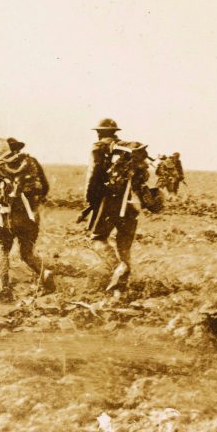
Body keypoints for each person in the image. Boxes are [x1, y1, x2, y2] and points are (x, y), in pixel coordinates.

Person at [84, 118, 162, 299]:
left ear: (99, 132)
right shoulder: (129, 152)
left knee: (98, 239)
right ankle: (121, 289)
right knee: (124, 245)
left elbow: (93, 176)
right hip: (132, 204)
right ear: (114, 132)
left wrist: (90, 201)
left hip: (110, 202)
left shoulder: (99, 148)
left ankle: (120, 269)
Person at [0, 137, 55, 301]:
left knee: (3, 251)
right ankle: (45, 274)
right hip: (30, 215)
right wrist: (33, 205)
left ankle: (5, 290)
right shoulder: (31, 162)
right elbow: (45, 187)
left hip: (7, 216)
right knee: (27, 252)